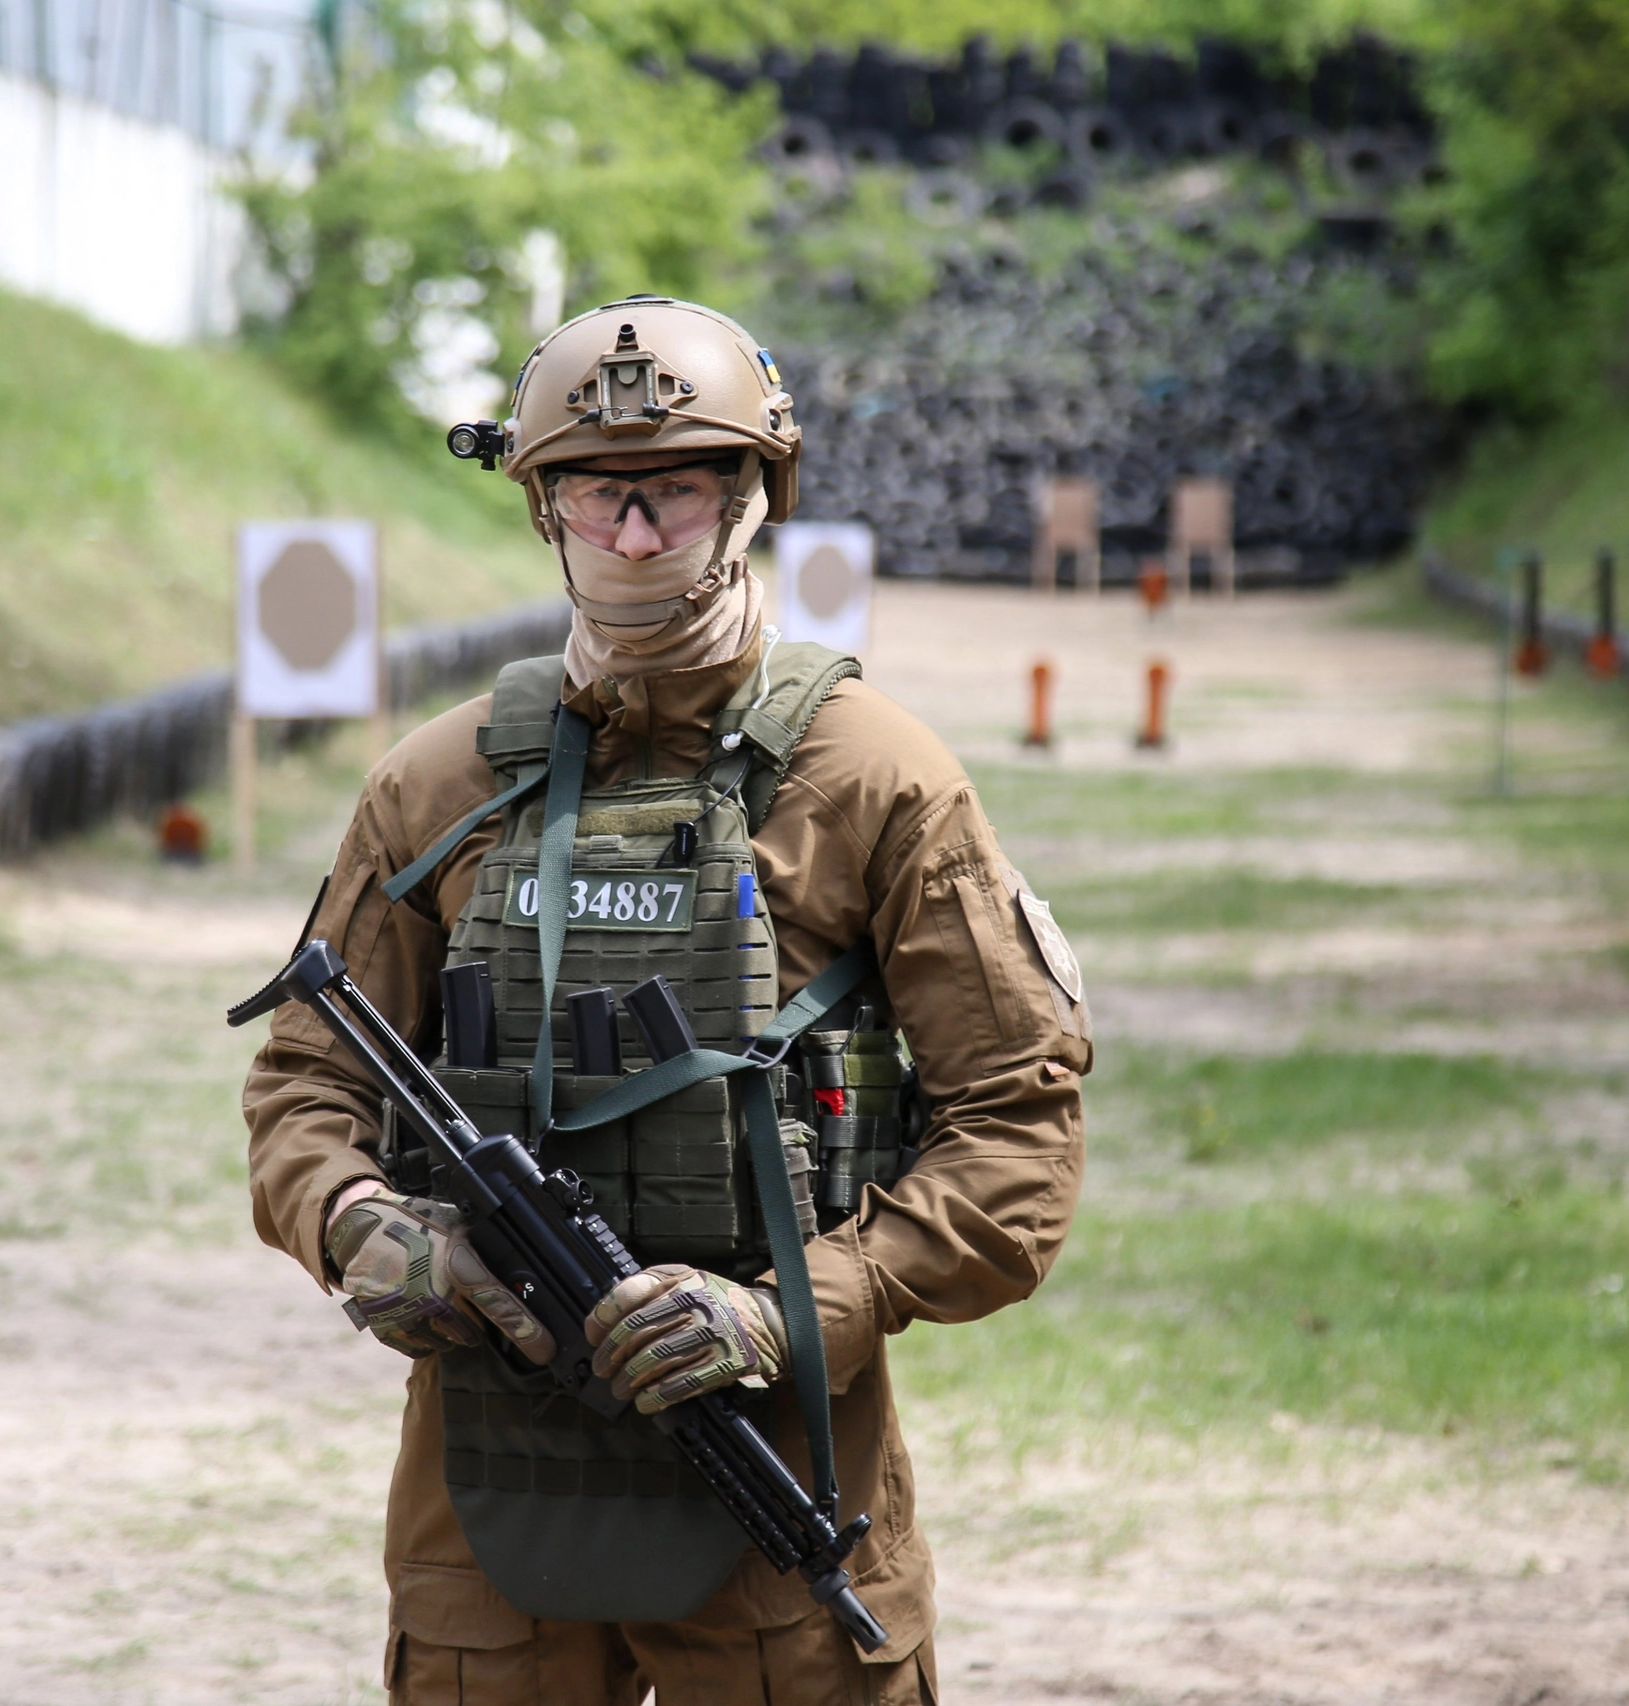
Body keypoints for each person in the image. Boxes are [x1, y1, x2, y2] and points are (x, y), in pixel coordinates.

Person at [244, 296, 1091, 1706]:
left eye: (678, 488)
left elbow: (1017, 1139)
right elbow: (304, 1084)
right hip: (489, 1489)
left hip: (778, 1478)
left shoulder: (878, 777)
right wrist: (357, 1224)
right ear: (544, 509)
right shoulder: (433, 786)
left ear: (751, 498)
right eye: (596, 491)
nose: (635, 533)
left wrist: (788, 1309)